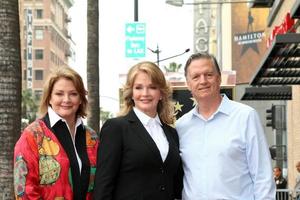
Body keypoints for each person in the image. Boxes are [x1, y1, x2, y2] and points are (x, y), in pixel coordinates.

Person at [176, 52, 276, 200]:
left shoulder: (245, 117)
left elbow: (263, 176)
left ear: (219, 78)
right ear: (188, 84)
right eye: (196, 76)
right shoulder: (181, 126)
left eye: (208, 74)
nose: (203, 81)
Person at [93, 61, 182, 200]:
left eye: (152, 87)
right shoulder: (116, 128)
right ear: (131, 93)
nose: (145, 93)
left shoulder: (172, 133)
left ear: (161, 93)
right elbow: (103, 185)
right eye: (138, 88)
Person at [14, 66, 99, 199]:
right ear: (49, 98)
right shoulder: (32, 135)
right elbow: (25, 191)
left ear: (81, 98)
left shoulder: (92, 138)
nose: (66, 99)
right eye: (59, 94)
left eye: (73, 94)